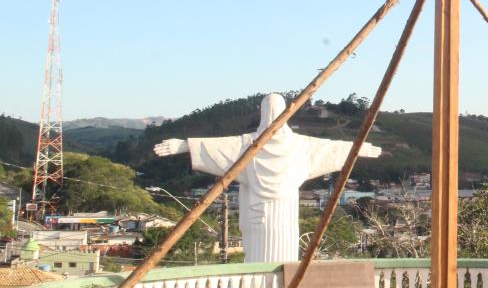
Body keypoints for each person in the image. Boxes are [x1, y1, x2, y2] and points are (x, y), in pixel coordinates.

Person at [154, 93, 381, 262]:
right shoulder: (299, 146)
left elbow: (217, 148)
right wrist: (358, 148)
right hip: (281, 214)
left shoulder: (247, 145)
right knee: (278, 255)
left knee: (264, 256)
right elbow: (330, 149)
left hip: (262, 212)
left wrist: (184, 145)